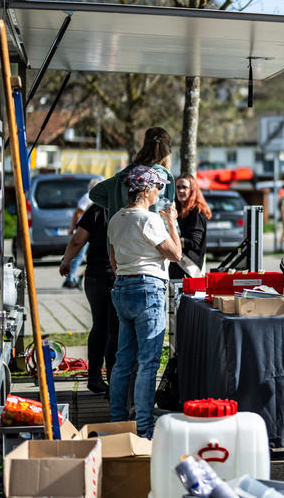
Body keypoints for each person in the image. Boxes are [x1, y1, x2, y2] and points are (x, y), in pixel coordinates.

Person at [107, 165, 182, 439]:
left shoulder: (116, 219)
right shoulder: (149, 220)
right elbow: (175, 254)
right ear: (147, 190)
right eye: (158, 187)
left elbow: (114, 260)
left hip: (123, 287)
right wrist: (171, 222)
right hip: (147, 288)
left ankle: (117, 420)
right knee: (148, 362)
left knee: (123, 360)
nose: (159, 192)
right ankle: (143, 427)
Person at [58, 203, 116, 394]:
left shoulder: (96, 209)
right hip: (117, 275)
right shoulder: (127, 206)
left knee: (99, 326)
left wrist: (66, 261)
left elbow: (77, 240)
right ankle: (115, 381)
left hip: (94, 276)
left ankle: (95, 377)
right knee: (114, 330)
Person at [90, 127, 175, 219]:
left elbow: (95, 193)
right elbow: (154, 209)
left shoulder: (126, 174)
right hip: (148, 230)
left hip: (121, 228)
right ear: (167, 150)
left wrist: (117, 206)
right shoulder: (159, 175)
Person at [168, 174, 211, 279]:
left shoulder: (196, 211)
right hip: (176, 267)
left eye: (184, 187)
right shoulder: (177, 210)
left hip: (189, 270)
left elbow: (194, 242)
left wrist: (170, 241)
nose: (180, 191)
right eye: (178, 187)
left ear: (192, 190)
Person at [64, 178, 102, 289]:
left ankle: (74, 277)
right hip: (83, 230)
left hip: (90, 230)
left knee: (85, 256)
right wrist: (72, 227)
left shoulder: (95, 198)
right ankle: (69, 278)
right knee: (79, 256)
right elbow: (77, 212)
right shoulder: (88, 197)